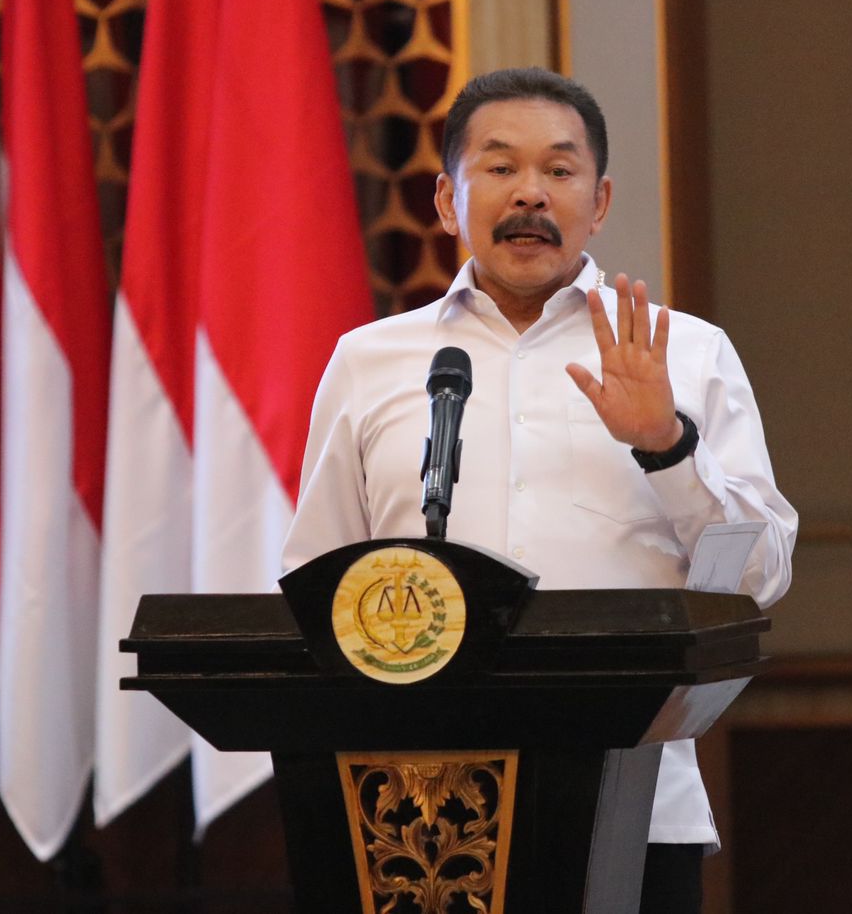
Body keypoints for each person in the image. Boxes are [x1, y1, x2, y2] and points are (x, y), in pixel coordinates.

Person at [282, 66, 797, 914]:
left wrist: (666, 446)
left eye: (559, 170)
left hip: (633, 806)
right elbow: (320, 590)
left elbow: (758, 578)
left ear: (600, 202)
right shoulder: (369, 363)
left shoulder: (688, 354)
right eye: (499, 167)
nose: (530, 193)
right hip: (415, 818)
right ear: (447, 202)